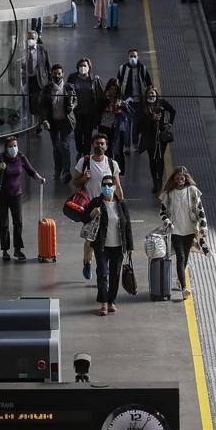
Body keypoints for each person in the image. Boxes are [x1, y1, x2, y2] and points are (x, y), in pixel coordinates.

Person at [0, 136, 45, 262]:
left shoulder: (21, 157)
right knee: (4, 223)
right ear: (6, 148)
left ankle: (18, 249)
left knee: (18, 222)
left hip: (16, 195)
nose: (13, 148)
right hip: (0, 196)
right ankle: (5, 250)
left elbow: (31, 170)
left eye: (15, 145)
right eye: (10, 146)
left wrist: (39, 178)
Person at [73, 134, 124, 280]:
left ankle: (102, 273)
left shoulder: (112, 164)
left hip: (109, 207)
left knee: (105, 240)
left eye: (102, 143)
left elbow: (118, 187)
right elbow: (75, 183)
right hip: (91, 207)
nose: (99, 146)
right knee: (90, 239)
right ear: (92, 145)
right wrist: (84, 178)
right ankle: (87, 262)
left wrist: (122, 206)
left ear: (106, 146)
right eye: (97, 143)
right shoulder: (84, 162)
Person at [85, 174, 132, 316]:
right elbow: (83, 218)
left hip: (118, 247)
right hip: (101, 247)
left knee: (114, 275)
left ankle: (112, 301)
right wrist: (93, 213)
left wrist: (130, 247)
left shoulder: (121, 205)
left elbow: (127, 226)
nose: (107, 187)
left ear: (115, 187)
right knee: (103, 273)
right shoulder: (96, 203)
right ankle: (104, 303)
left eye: (109, 185)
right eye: (104, 185)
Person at [158, 166, 208, 298]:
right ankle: (184, 288)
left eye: (183, 177)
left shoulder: (192, 191)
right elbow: (162, 212)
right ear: (174, 179)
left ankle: (180, 281)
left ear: (186, 178)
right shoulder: (168, 194)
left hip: (190, 230)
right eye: (178, 177)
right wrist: (167, 221)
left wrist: (203, 227)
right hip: (175, 231)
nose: (180, 179)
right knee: (180, 257)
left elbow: (200, 210)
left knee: (185, 257)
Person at [39, 64, 77, 183]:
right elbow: (43, 107)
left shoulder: (69, 87)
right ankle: (57, 169)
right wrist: (44, 120)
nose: (57, 76)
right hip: (53, 122)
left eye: (59, 73)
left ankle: (66, 171)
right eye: (55, 73)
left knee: (65, 145)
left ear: (63, 74)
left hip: (65, 121)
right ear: (51, 74)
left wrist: (73, 106)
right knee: (56, 146)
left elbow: (75, 99)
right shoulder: (47, 89)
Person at [136, 85, 175, 191]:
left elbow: (172, 111)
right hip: (148, 136)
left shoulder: (162, 103)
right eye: (148, 93)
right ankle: (154, 181)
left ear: (156, 94)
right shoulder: (142, 105)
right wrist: (151, 118)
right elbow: (138, 121)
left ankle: (160, 182)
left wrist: (169, 124)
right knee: (152, 159)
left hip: (161, 135)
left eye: (152, 93)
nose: (150, 95)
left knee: (160, 158)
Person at [68, 57, 105, 156]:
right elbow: (67, 92)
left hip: (90, 113)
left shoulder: (94, 79)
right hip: (76, 113)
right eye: (80, 66)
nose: (82, 67)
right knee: (78, 134)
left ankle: (86, 154)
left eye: (85, 65)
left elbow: (101, 96)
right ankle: (79, 150)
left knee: (88, 135)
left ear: (89, 67)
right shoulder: (72, 78)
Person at [96, 78, 130, 174]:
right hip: (105, 126)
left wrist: (123, 106)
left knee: (119, 150)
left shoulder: (121, 99)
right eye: (111, 89)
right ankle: (107, 171)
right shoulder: (103, 98)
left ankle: (119, 173)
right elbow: (98, 110)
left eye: (115, 89)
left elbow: (129, 113)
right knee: (107, 149)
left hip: (118, 128)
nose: (113, 91)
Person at [22, 31, 51, 119]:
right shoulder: (22, 50)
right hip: (26, 79)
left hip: (38, 79)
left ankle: (36, 121)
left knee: (36, 101)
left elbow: (47, 64)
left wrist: (50, 80)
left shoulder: (42, 49)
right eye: (28, 38)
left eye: (32, 38)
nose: (30, 40)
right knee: (26, 100)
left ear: (37, 39)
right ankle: (27, 118)